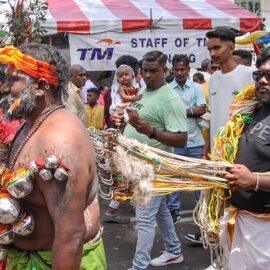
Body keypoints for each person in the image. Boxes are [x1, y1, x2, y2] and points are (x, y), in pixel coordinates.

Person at [0, 44, 106, 269]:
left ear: (40, 86)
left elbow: (71, 235)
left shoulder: (58, 140)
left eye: (13, 80)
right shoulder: (31, 125)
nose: (5, 88)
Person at [114, 51, 187, 269]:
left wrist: (151, 132)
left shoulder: (171, 99)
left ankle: (139, 265)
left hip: (152, 169)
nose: (147, 74)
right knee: (161, 210)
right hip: (136, 166)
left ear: (165, 71)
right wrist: (122, 123)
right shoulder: (143, 92)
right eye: (144, 70)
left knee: (145, 218)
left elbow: (182, 139)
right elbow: (137, 121)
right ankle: (174, 250)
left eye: (153, 70)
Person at [219, 46, 270, 269]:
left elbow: (252, 177)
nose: (263, 80)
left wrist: (253, 180)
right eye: (259, 74)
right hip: (239, 219)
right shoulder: (253, 109)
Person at [168, 54, 206, 226]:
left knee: (197, 178)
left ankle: (200, 211)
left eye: (183, 69)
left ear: (189, 70)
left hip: (195, 141)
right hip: (176, 140)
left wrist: (181, 112)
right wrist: (191, 110)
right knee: (174, 177)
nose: (180, 72)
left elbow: (202, 110)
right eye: (176, 69)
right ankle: (174, 210)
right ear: (172, 69)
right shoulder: (168, 89)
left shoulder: (197, 88)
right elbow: (168, 113)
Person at [206, 27, 254, 148]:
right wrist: (206, 150)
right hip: (217, 150)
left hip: (241, 149)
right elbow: (213, 116)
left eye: (217, 48)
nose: (212, 54)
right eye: (210, 49)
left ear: (231, 48)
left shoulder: (250, 74)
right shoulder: (214, 78)